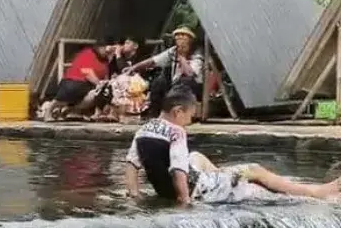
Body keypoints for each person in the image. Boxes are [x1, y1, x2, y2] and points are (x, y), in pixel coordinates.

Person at [124, 88, 341, 205]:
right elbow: (178, 171)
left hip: (169, 190)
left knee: (196, 156)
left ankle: (224, 178)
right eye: (190, 116)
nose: (190, 121)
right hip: (198, 188)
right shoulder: (176, 132)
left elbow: (131, 166)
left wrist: (134, 196)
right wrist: (184, 201)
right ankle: (315, 191)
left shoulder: (143, 129)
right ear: (178, 111)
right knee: (255, 170)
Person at [126, 27, 204, 117]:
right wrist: (134, 67)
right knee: (158, 82)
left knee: (184, 81)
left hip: (193, 85)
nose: (179, 39)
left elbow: (190, 73)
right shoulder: (173, 51)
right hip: (176, 82)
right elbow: (153, 61)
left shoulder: (197, 53)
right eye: (177, 36)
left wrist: (182, 57)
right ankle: (154, 114)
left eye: (183, 36)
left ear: (190, 40)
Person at [40, 42, 110, 121]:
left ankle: (69, 110)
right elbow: (87, 72)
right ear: (99, 47)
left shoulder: (105, 61)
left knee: (99, 93)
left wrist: (104, 85)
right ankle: (49, 110)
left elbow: (105, 77)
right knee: (74, 89)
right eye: (105, 49)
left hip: (90, 85)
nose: (107, 52)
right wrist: (99, 83)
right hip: (75, 81)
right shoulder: (88, 53)